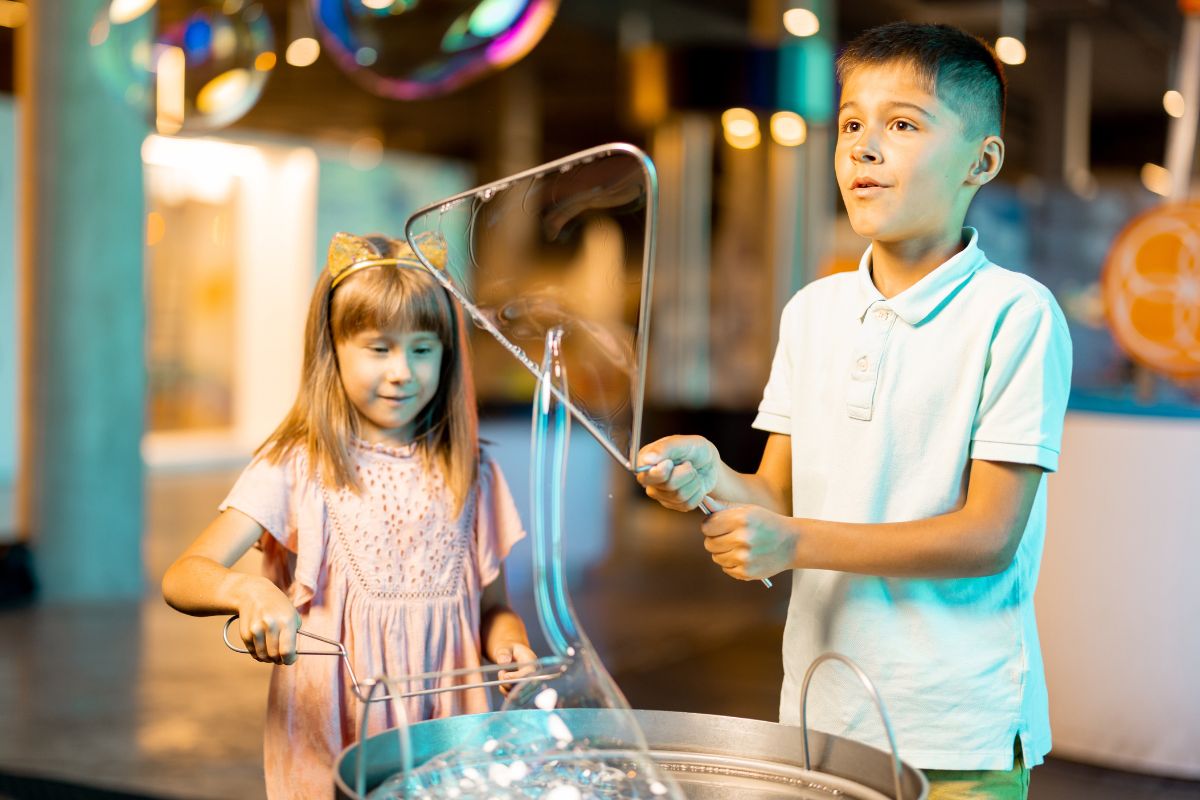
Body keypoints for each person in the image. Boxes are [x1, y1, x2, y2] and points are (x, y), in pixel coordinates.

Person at [637, 22, 1071, 800]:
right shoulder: (813, 311)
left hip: (956, 730)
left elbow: (987, 537)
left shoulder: (1016, 313)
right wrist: (710, 477)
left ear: (983, 161)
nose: (864, 147)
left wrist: (794, 541)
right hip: (820, 712)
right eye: (850, 124)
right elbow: (775, 495)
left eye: (902, 124)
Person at [162, 231, 536, 800]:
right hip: (332, 745)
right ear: (331, 349)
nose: (401, 372)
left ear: (447, 354)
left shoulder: (474, 473)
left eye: (422, 348)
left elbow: (493, 608)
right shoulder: (296, 466)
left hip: (449, 747)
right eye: (378, 347)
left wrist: (510, 645)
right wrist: (246, 592)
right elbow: (185, 574)